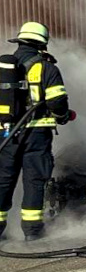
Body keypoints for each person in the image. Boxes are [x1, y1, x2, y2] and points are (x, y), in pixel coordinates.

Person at [0, 23, 73, 241]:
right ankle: (32, 232)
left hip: (6, 134)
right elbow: (57, 100)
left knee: (3, 181)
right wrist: (62, 116)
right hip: (36, 134)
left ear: (20, 42)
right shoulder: (47, 68)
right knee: (34, 181)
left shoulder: (3, 69)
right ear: (42, 44)